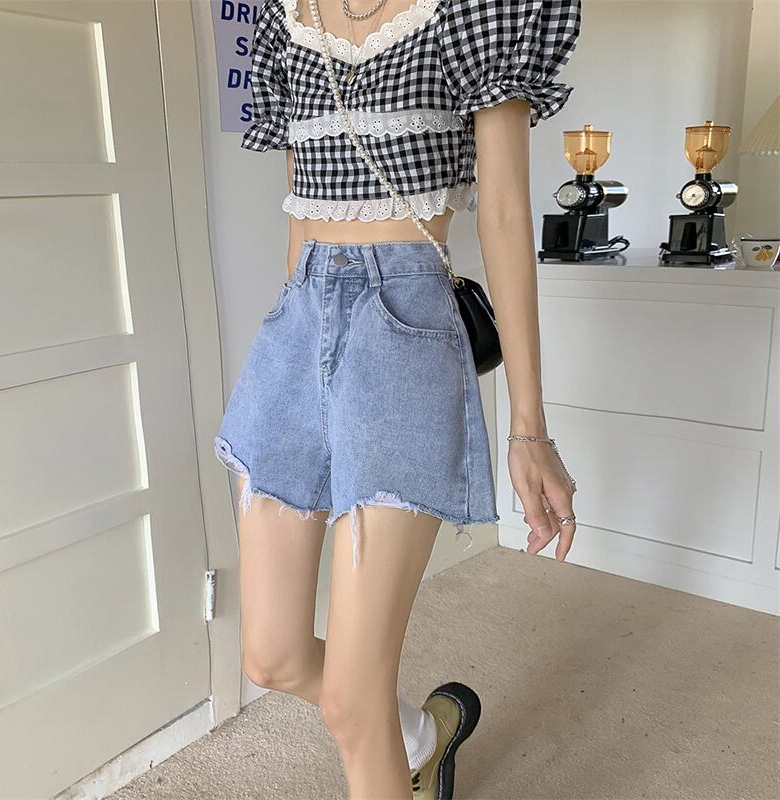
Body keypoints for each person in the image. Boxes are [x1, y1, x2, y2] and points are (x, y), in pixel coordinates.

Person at [213, 1, 581, 797]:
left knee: (351, 703)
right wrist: (299, 337)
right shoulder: (284, 17)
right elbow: (300, 210)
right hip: (298, 324)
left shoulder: (476, 11)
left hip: (404, 328)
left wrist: (528, 429)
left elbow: (504, 212)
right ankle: (421, 735)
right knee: (271, 656)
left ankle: (389, 741)